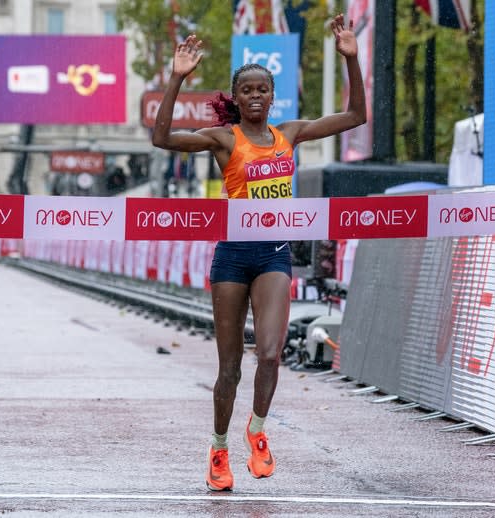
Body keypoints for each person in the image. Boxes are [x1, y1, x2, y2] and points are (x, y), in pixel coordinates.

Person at [152, 13, 366, 491]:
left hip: (273, 255)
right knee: (229, 366)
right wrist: (176, 78)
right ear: (237, 97)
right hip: (231, 258)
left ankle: (257, 431)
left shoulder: (290, 134)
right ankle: (219, 446)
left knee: (269, 355)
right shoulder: (225, 140)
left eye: (261, 90)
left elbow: (355, 118)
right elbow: (161, 138)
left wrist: (352, 59)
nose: (254, 97)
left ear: (272, 97)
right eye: (246, 90)